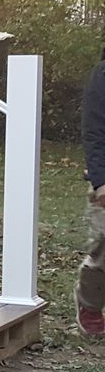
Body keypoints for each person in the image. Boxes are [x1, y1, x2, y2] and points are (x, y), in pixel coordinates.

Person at [81, 48, 105, 336]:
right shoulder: (102, 75)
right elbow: (94, 132)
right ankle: (90, 307)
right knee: (103, 252)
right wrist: (100, 181)